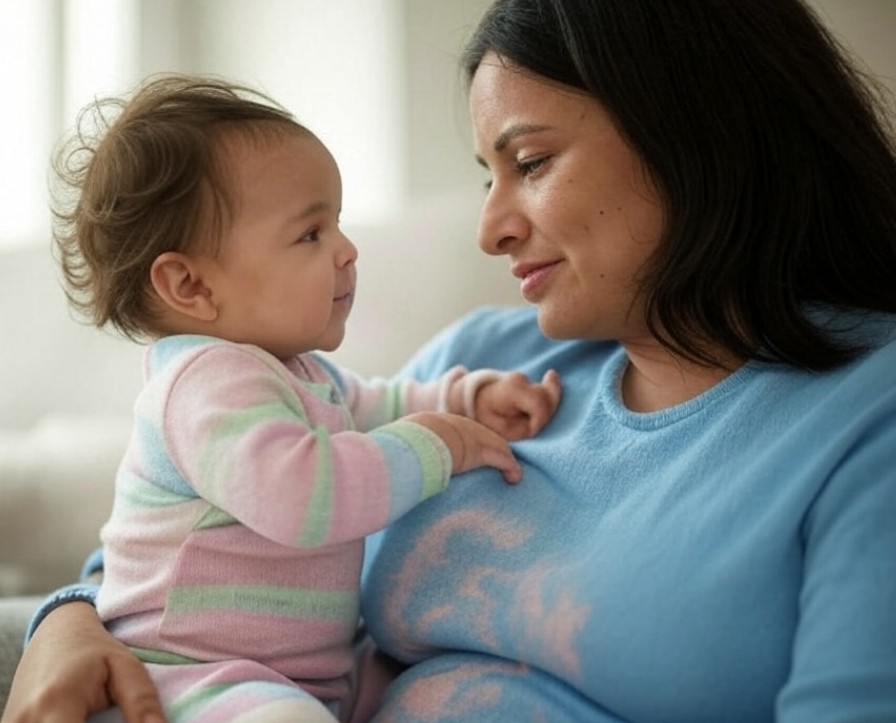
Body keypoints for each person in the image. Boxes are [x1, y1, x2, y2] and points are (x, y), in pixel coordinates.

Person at [4, 0, 896, 721]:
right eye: (485, 176)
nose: (491, 226)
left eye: (532, 162)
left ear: (698, 132)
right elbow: (196, 530)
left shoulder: (867, 416)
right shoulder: (488, 354)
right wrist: (66, 621)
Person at [8, 74, 562, 723]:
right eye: (310, 233)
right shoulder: (205, 385)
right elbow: (303, 495)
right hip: (190, 675)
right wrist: (440, 441)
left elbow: (381, 402)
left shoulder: (300, 374)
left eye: (338, 223)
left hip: (301, 674)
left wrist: (465, 395)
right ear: (190, 284)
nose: (348, 250)